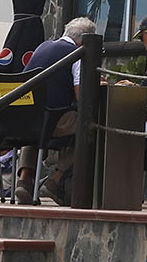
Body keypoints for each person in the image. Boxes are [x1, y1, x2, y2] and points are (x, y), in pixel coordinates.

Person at [25, 16, 97, 206]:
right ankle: (55, 180)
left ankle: (24, 180)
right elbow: (82, 94)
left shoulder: (42, 47)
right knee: (91, 125)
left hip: (27, 120)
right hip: (54, 120)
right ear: (86, 40)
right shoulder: (77, 54)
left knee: (34, 127)